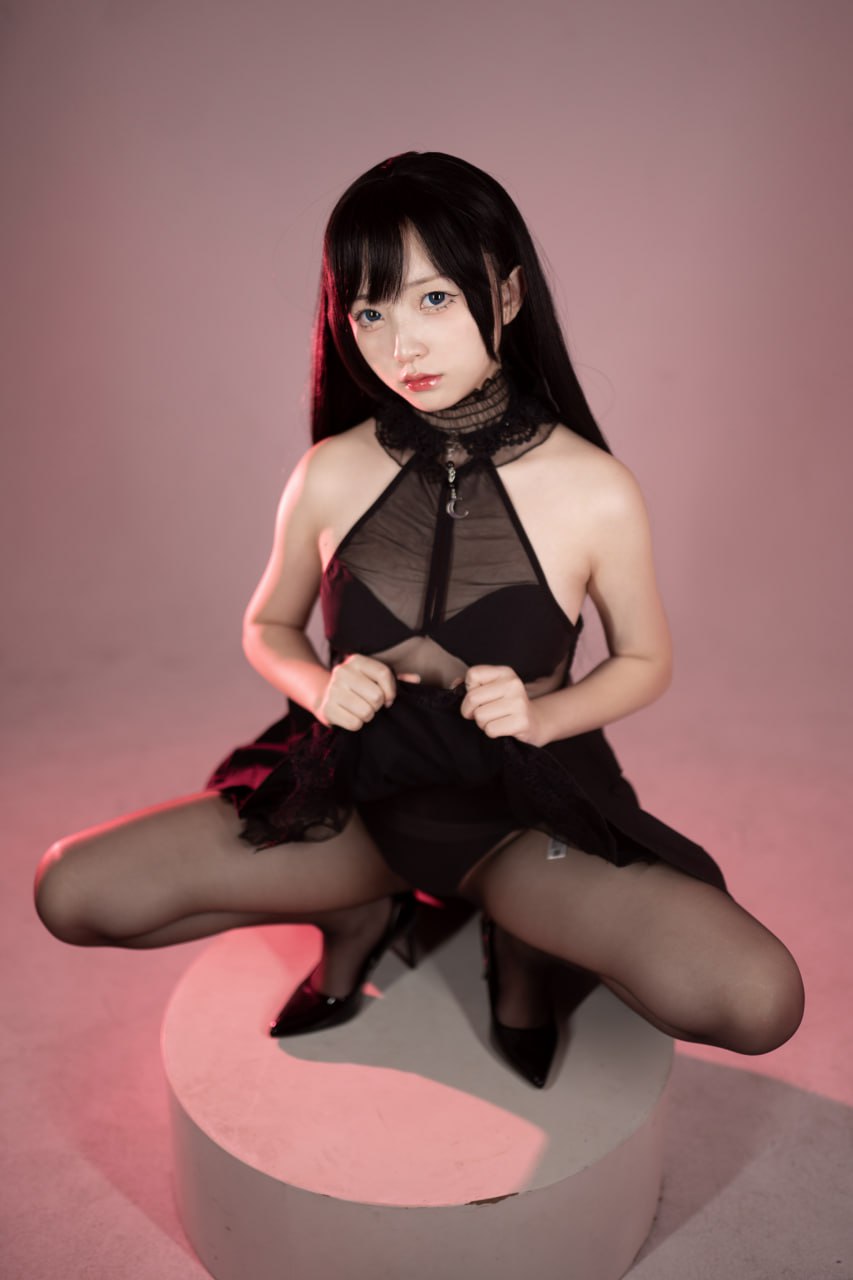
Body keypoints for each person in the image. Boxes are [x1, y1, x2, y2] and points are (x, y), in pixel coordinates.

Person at [34, 151, 804, 1089]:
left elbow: (645, 660)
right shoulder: (330, 470)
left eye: (433, 299)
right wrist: (318, 685)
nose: (402, 345)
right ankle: (360, 912)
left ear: (506, 295)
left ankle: (521, 944)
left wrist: (545, 715)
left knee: (756, 998)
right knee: (70, 892)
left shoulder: (594, 489)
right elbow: (266, 627)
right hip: (353, 799)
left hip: (518, 819)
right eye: (370, 312)